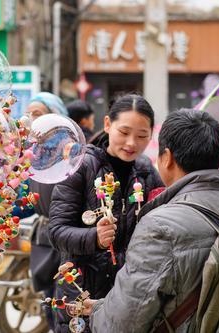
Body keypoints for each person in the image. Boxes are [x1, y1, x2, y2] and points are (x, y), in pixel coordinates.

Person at [83, 109, 219, 332]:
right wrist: (103, 307)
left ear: (167, 157)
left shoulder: (159, 226)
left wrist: (98, 316)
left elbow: (121, 324)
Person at [48, 94, 164, 332]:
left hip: (127, 296)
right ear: (108, 124)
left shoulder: (147, 173)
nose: (132, 142)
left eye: (142, 135)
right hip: (82, 293)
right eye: (124, 132)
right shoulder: (81, 165)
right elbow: (57, 231)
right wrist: (95, 239)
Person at [25, 92, 69, 331]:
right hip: (43, 237)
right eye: (29, 114)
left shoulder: (71, 152)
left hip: (67, 236)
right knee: (47, 301)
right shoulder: (31, 154)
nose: (31, 119)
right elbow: (24, 201)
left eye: (38, 114)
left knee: (64, 299)